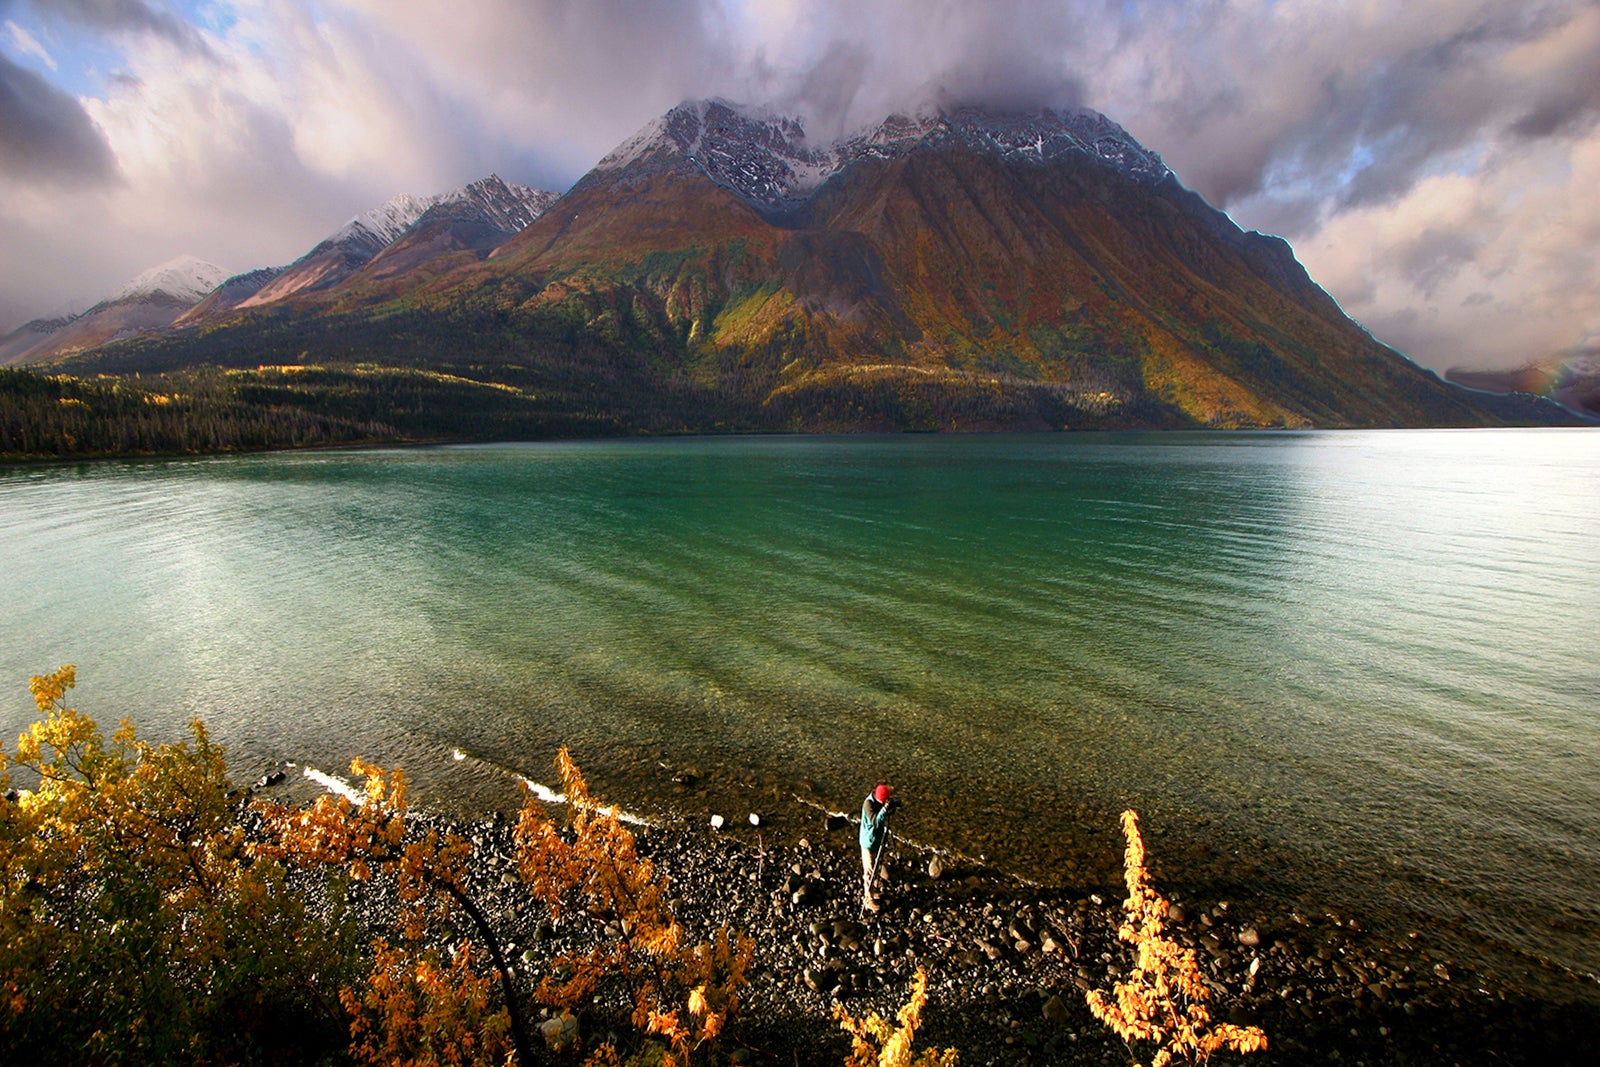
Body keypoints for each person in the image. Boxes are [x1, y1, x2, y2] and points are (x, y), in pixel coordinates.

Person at [859, 783, 894, 912]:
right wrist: (884, 810)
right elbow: (875, 821)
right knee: (869, 871)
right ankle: (868, 900)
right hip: (868, 842)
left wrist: (889, 808)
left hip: (875, 841)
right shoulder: (868, 805)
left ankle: (872, 892)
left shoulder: (878, 802)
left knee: (874, 867)